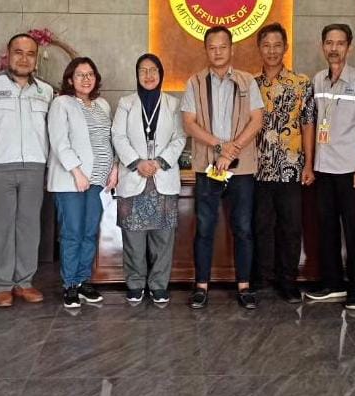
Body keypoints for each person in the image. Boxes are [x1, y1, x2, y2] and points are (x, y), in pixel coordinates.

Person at [181, 26, 265, 309]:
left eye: (222, 47)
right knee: (205, 227)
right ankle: (201, 286)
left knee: (243, 227)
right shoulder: (195, 82)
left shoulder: (247, 81)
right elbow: (189, 123)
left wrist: (233, 148)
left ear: (232, 49)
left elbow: (257, 120)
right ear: (206, 50)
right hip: (208, 166)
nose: (217, 52)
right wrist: (220, 146)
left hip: (242, 168)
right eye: (212, 47)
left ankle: (244, 286)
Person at [304, 23, 355, 310]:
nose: (334, 48)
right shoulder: (318, 80)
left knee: (354, 231)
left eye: (339, 43)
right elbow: (312, 123)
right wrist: (310, 165)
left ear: (349, 47)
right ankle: (333, 283)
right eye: (329, 43)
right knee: (326, 229)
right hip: (324, 168)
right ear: (322, 46)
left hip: (351, 170)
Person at [0, 33, 53, 307]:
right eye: (18, 52)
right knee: (0, 227)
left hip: (34, 167)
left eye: (30, 53)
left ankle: (24, 282)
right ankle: (1, 284)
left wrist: (49, 171)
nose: (24, 58)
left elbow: (51, 134)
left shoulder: (46, 91)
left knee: (29, 227)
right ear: (8, 55)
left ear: (36, 59)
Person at [111, 54, 187, 304]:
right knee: (133, 236)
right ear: (137, 75)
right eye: (143, 70)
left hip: (162, 176)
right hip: (135, 176)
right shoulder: (126, 103)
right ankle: (135, 283)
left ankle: (158, 284)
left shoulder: (173, 104)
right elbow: (118, 136)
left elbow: (180, 137)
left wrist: (160, 162)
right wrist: (137, 162)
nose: (148, 75)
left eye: (153, 70)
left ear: (161, 74)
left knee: (163, 236)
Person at [252, 22, 316, 303]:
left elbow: (308, 124)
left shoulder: (302, 83)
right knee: (261, 225)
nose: (272, 51)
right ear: (259, 48)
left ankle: (288, 281)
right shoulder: (251, 85)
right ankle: (262, 277)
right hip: (258, 169)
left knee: (290, 226)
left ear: (286, 48)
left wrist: (309, 164)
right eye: (266, 45)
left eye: (277, 45)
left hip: (291, 168)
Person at [48, 57, 118, 308]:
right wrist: (76, 171)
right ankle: (69, 285)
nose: (86, 79)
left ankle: (83, 281)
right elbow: (59, 141)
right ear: (70, 79)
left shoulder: (102, 105)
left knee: (90, 232)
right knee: (72, 233)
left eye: (90, 74)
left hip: (99, 181)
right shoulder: (61, 103)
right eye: (80, 74)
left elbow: (110, 139)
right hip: (72, 180)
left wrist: (115, 167)